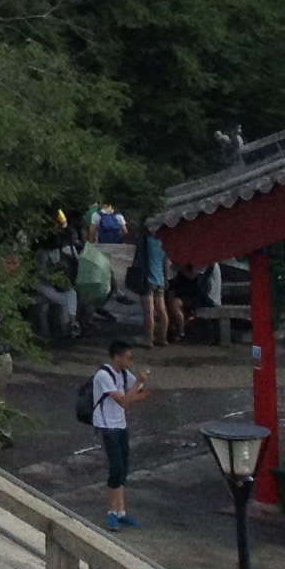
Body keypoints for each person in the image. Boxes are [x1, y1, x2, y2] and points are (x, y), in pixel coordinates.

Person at [92, 340, 150, 528]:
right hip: (107, 425)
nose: (131, 361)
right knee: (116, 467)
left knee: (124, 466)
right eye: (128, 358)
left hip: (121, 424)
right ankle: (111, 511)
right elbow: (124, 401)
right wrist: (137, 384)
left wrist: (132, 393)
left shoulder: (125, 375)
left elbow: (142, 394)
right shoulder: (103, 375)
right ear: (117, 357)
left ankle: (121, 510)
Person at [135, 224, 176, 343]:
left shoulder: (145, 240)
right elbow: (166, 263)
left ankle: (149, 339)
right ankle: (163, 338)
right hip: (160, 280)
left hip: (147, 279)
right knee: (162, 311)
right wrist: (166, 279)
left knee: (149, 312)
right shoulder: (163, 242)